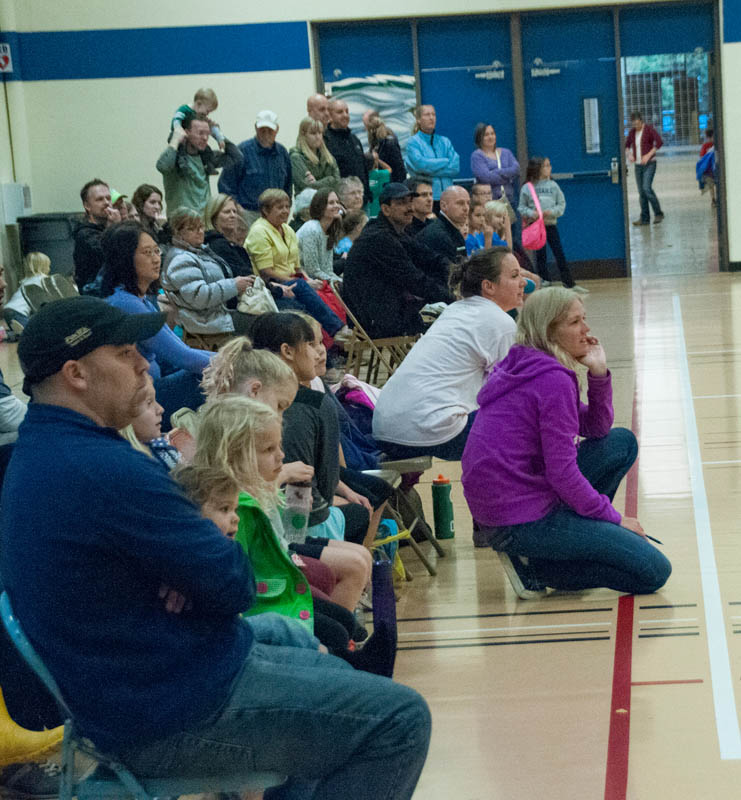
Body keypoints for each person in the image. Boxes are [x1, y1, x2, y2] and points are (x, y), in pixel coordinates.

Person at [1, 295, 431, 798]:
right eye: (124, 353)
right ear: (76, 373)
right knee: (399, 719)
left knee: (324, 666)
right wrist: (189, 568)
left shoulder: (42, 451)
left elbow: (201, 575)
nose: (143, 364)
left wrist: (183, 571)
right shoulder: (102, 469)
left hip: (145, 683)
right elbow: (233, 583)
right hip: (165, 711)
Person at [461, 287, 672, 599]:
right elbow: (562, 472)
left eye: (584, 319)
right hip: (518, 520)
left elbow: (597, 428)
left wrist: (598, 373)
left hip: (508, 505)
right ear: (548, 331)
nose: (586, 329)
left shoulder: (524, 362)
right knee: (654, 571)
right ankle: (539, 569)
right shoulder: (552, 380)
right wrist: (613, 518)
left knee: (620, 443)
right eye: (575, 322)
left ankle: (569, 541)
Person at [178, 394, 396, 677]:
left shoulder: (256, 492)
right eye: (270, 449)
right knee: (333, 629)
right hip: (265, 603)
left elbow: (288, 535)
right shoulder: (237, 509)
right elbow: (238, 575)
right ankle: (342, 673)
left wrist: (290, 495)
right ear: (235, 454)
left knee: (340, 620)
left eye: (279, 446)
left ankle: (348, 668)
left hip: (280, 589)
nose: (281, 456)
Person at [200, 337, 373, 612]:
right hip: (266, 557)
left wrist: (294, 491)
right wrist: (282, 477)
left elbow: (282, 515)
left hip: (281, 539)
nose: (283, 415)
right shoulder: (235, 432)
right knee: (347, 569)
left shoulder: (262, 427)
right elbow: (244, 502)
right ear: (255, 390)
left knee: (357, 559)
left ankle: (342, 624)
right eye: (281, 405)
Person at [373, 247, 524, 462]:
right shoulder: (500, 323)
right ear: (488, 286)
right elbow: (514, 392)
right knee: (524, 422)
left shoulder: (455, 310)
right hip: (427, 431)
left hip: (384, 430)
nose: (523, 283)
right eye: (515, 276)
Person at [101, 221, 212, 424]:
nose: (156, 258)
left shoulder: (140, 299)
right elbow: (185, 358)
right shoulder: (125, 303)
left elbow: (182, 351)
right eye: (147, 252)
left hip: (155, 386)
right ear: (125, 258)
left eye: (156, 251)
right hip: (139, 398)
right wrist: (239, 362)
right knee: (207, 378)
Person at [343, 182, 452, 338]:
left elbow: (430, 258)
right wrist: (453, 297)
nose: (410, 208)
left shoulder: (395, 232)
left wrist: (458, 273)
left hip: (387, 311)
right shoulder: (379, 238)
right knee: (448, 327)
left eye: (410, 202)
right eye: (401, 203)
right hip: (374, 322)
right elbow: (414, 280)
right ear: (386, 209)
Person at [244, 188, 349, 340]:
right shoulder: (259, 231)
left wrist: (308, 280)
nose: (285, 211)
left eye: (287, 206)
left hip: (294, 280)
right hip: (271, 284)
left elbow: (297, 266)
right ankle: (338, 330)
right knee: (306, 292)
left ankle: (335, 341)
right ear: (265, 211)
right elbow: (265, 271)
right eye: (280, 207)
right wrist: (301, 281)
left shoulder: (287, 229)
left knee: (321, 289)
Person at [161, 207, 254, 336]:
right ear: (178, 233)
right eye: (192, 229)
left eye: (201, 227)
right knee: (265, 323)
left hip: (216, 313)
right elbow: (199, 297)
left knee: (266, 318)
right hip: (204, 321)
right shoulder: (180, 259)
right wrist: (234, 285)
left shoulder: (199, 251)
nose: (199, 232)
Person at [518, 156, 585, 293]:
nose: (550, 168)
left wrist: (552, 212)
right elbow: (521, 207)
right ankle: (544, 280)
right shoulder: (527, 187)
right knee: (540, 255)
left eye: (549, 165)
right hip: (536, 227)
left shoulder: (553, 186)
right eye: (546, 165)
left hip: (550, 225)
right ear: (537, 168)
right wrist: (532, 213)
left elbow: (561, 204)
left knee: (559, 253)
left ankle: (569, 283)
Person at [156, 114, 242, 216]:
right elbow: (163, 166)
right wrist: (175, 139)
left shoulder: (206, 157)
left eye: (207, 134)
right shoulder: (175, 158)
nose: (205, 138)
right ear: (186, 132)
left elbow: (237, 157)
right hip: (181, 221)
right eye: (200, 133)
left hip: (204, 221)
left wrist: (218, 135)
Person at [218, 110, 292, 226]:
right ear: (256, 128)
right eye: (262, 130)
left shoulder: (282, 153)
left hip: (276, 215)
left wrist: (286, 209)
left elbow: (288, 186)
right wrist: (237, 209)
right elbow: (225, 185)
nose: (266, 134)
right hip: (248, 214)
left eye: (270, 130)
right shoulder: (242, 151)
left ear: (277, 129)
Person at [404, 104, 460, 204]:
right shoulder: (413, 142)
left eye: (433, 114)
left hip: (448, 197)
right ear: (418, 120)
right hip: (427, 198)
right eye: (427, 115)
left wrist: (428, 172)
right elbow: (421, 166)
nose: (431, 118)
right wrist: (445, 161)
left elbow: (455, 168)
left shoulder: (445, 141)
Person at [72, 178, 120, 289]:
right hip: (96, 292)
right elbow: (107, 255)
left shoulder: (106, 227)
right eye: (99, 199)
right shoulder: (84, 234)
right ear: (87, 206)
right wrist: (114, 228)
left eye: (108, 198)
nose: (106, 203)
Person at [324, 99, 370, 204]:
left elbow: (363, 168)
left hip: (361, 200)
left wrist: (367, 193)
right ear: (330, 116)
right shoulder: (325, 141)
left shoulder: (354, 139)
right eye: (340, 112)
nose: (345, 115)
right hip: (340, 202)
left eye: (347, 111)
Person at [625, 111, 664, 226]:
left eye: (637, 124)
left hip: (650, 164)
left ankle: (658, 213)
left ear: (641, 121)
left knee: (646, 188)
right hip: (638, 166)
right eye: (634, 124)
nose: (636, 126)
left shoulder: (649, 129)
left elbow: (659, 142)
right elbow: (627, 145)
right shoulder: (632, 132)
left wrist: (648, 155)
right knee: (641, 193)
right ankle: (645, 218)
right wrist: (629, 154)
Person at [297, 188, 344, 283]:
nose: (336, 206)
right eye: (331, 203)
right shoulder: (312, 229)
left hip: (319, 280)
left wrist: (340, 281)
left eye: (337, 202)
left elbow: (327, 270)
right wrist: (337, 282)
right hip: (302, 278)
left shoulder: (329, 230)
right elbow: (312, 271)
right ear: (320, 207)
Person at [470, 123, 520, 208]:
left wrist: (497, 172)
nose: (490, 137)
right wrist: (507, 177)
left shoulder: (506, 152)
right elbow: (486, 178)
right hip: (490, 202)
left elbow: (516, 170)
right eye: (486, 135)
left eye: (492, 134)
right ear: (479, 138)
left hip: (509, 200)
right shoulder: (477, 156)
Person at [289, 117, 341, 196]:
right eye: (313, 133)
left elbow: (337, 182)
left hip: (329, 200)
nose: (318, 137)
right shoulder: (296, 157)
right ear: (303, 134)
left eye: (320, 133)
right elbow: (306, 186)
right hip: (307, 201)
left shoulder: (328, 157)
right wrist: (330, 179)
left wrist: (317, 183)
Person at [3, 252, 53, 332]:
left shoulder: (26, 280)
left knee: (19, 330)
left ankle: (9, 333)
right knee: (32, 332)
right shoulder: (43, 279)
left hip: (8, 309)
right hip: (19, 312)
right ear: (44, 266)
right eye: (48, 265)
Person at [418, 185, 469, 262]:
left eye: (468, 203)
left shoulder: (453, 230)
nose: (466, 208)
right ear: (444, 206)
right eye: (460, 203)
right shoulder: (437, 235)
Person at [365, 111, 406, 183]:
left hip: (392, 181)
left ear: (371, 130)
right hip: (387, 180)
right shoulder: (377, 143)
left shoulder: (387, 143)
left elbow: (398, 168)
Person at [698, 127, 717, 207]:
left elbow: (701, 157)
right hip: (711, 169)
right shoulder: (713, 145)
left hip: (709, 169)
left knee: (712, 185)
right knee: (712, 185)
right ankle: (714, 199)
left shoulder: (706, 146)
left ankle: (714, 199)